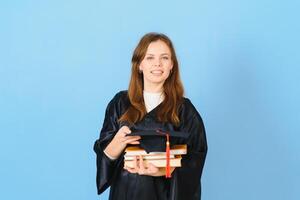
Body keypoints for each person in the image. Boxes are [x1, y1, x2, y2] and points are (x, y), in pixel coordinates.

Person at [93, 32, 208, 200]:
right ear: (139, 64)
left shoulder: (184, 110)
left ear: (172, 65)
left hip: (162, 194)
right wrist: (117, 143)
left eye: (164, 58)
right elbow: (105, 156)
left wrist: (162, 170)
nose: (157, 64)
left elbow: (195, 158)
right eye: (150, 58)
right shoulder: (120, 103)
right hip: (125, 194)